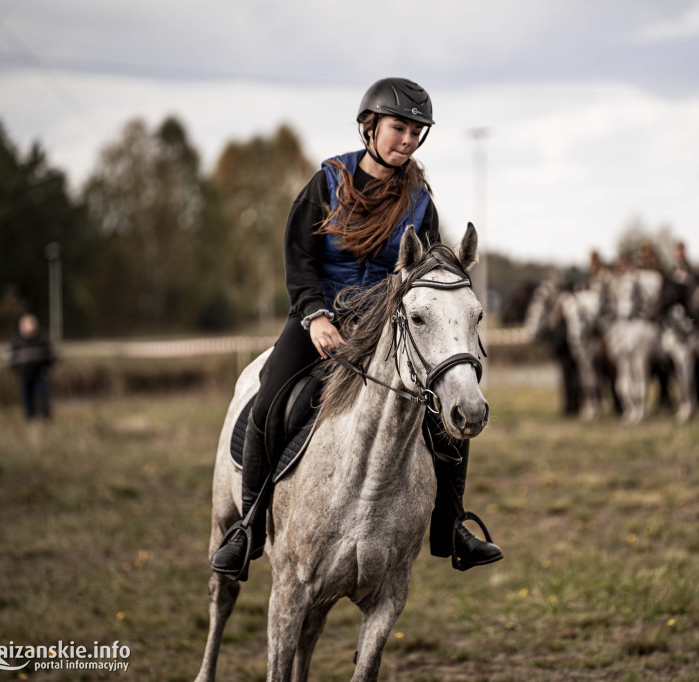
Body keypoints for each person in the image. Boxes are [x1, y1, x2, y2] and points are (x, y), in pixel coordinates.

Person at [210, 78, 502, 580]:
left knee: (445, 409)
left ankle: (451, 528)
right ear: (371, 126)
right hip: (317, 319)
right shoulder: (326, 182)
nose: (407, 139)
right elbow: (298, 257)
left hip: (385, 325)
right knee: (269, 401)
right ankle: (249, 528)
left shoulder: (419, 202)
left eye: (416, 131)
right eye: (398, 127)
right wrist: (315, 316)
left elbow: (425, 273)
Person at [11, 314, 55, 420]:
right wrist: (17, 371)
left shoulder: (41, 340)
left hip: (39, 374)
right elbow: (13, 359)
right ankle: (30, 418)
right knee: (27, 398)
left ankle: (46, 417)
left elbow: (49, 356)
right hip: (24, 375)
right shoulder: (18, 342)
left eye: (32, 324)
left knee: (43, 396)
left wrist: (47, 367)